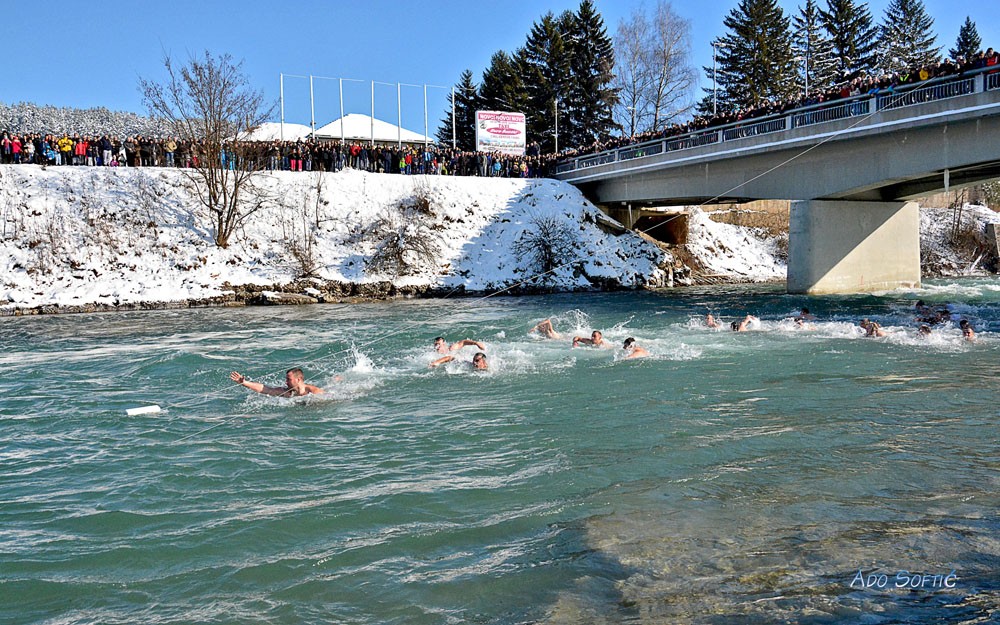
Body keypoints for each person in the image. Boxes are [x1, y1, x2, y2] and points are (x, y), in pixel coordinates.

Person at [230, 368, 324, 397]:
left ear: (298, 379)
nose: (286, 382)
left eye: (288, 379)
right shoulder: (287, 392)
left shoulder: (313, 391)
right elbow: (266, 389)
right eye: (286, 379)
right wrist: (244, 383)